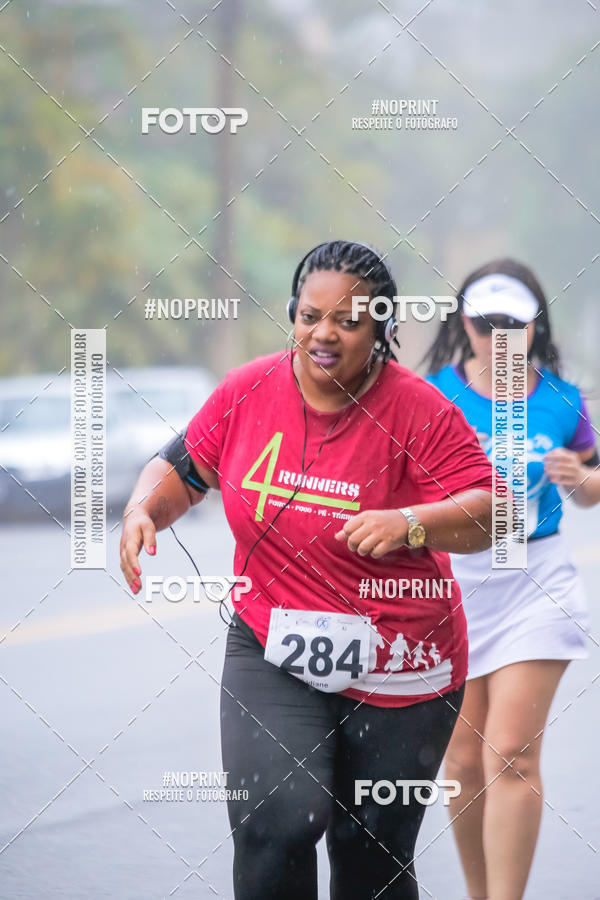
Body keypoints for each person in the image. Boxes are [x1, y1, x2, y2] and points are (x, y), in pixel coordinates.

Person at [120, 240, 498, 900]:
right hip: (273, 642)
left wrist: (411, 522)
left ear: (380, 327)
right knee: (275, 824)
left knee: (368, 855)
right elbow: (181, 467)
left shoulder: (418, 410)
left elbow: (492, 511)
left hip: (403, 658)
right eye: (307, 315)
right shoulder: (251, 389)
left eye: (347, 322)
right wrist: (142, 511)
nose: (323, 333)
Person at [423, 258, 600, 900]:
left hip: (536, 581)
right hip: (453, 589)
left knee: (511, 755)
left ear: (533, 327)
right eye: (483, 322)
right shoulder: (432, 396)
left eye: (511, 324)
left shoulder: (563, 399)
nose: (497, 336)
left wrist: (583, 482)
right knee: (463, 764)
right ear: (462, 324)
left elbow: (593, 483)